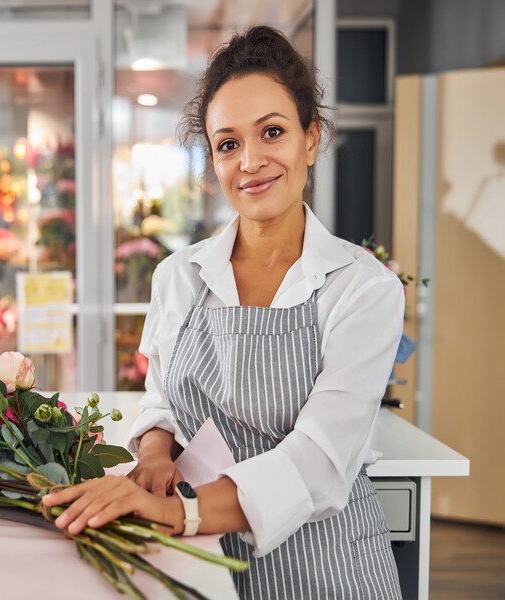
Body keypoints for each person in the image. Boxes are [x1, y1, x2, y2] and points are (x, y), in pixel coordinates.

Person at [44, 25, 404, 598]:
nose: (251, 161)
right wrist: (155, 454)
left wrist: (176, 510)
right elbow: (162, 401)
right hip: (200, 559)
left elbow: (320, 462)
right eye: (228, 144)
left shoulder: (362, 288)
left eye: (272, 132)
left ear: (311, 138)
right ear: (212, 161)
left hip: (324, 567)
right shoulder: (178, 276)